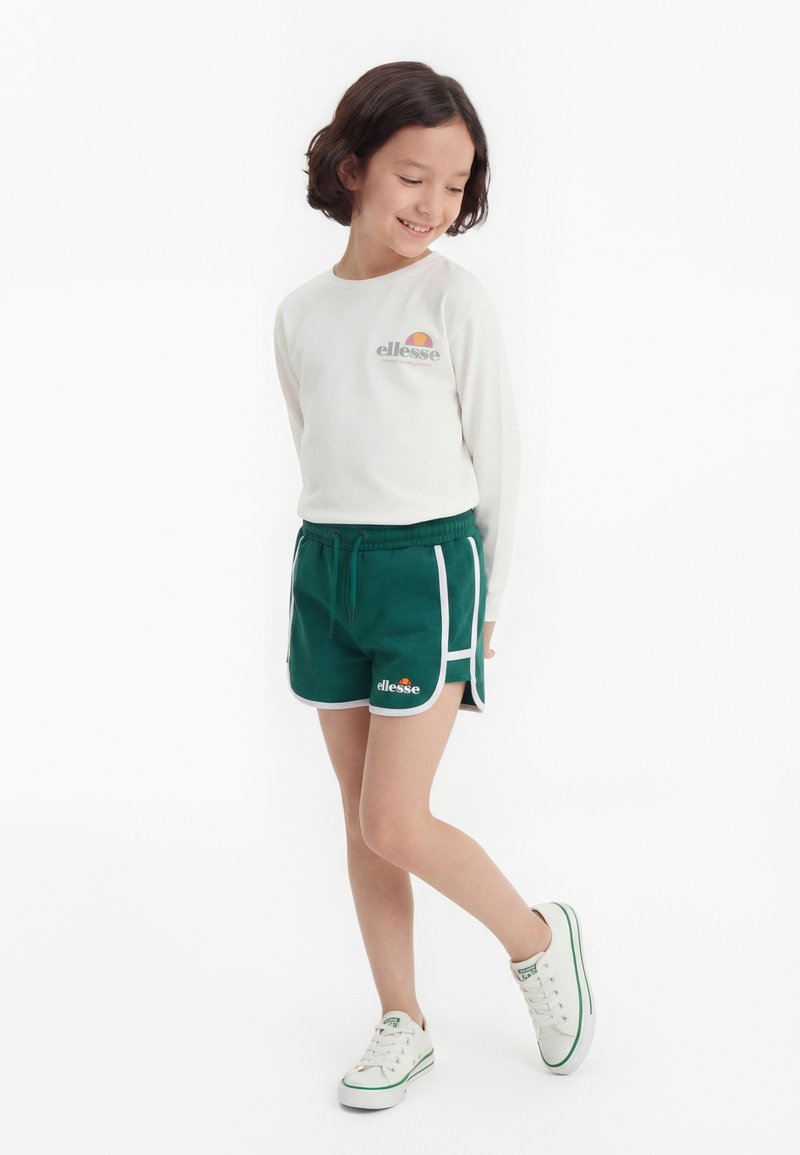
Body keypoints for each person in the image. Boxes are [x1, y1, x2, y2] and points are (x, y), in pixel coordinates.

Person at [273, 60, 595, 1110]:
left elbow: (498, 457)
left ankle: (536, 941)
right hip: (328, 568)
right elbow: (316, 445)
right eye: (413, 177)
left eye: (454, 186)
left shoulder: (453, 300)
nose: (433, 205)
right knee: (358, 815)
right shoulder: (300, 313)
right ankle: (401, 1020)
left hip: (430, 572)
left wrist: (488, 600)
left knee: (394, 819)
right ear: (352, 168)